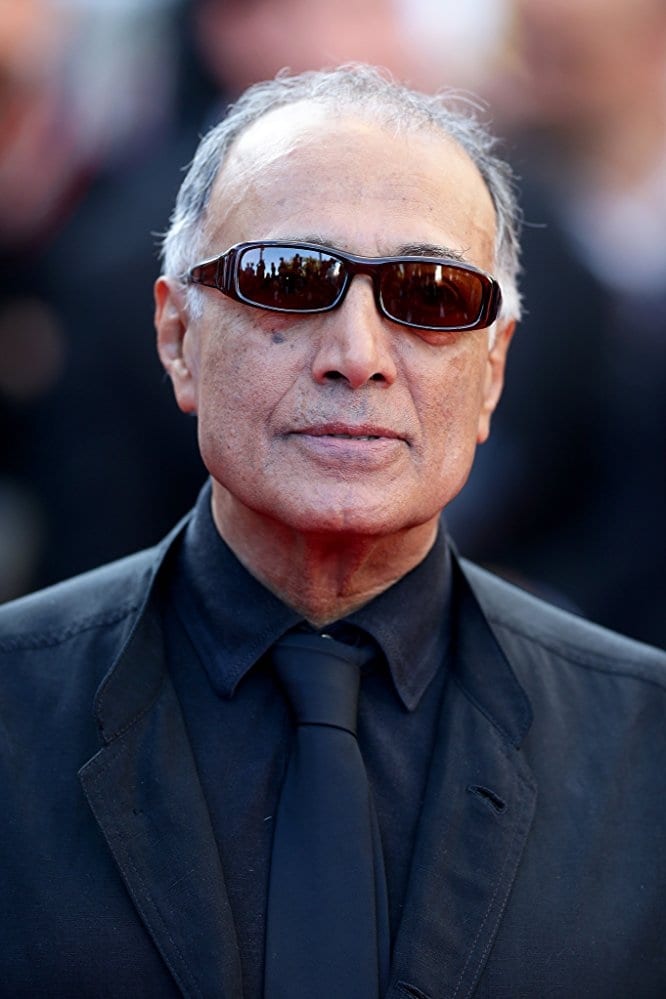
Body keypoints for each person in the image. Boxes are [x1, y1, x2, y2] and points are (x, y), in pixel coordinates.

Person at [0, 65, 664, 998]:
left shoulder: (644, 746)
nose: (358, 357)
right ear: (177, 337)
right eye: (289, 280)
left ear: (492, 372)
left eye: (431, 296)